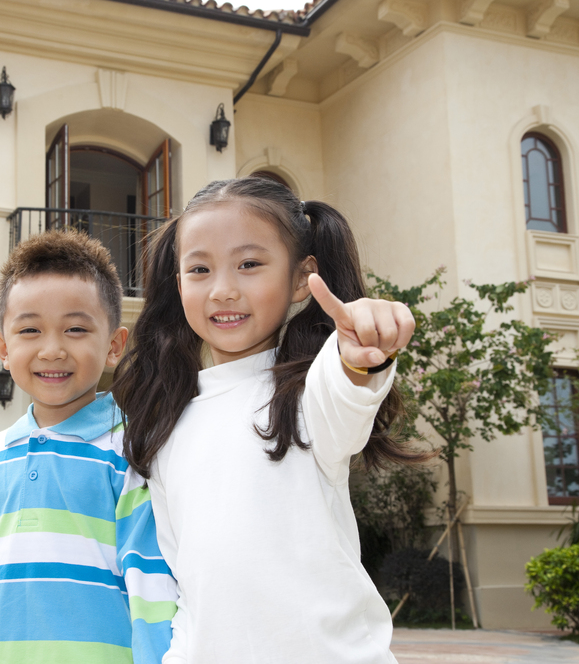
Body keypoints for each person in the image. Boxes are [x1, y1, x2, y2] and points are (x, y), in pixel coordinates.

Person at [113, 176, 428, 663]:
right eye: (199, 269)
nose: (222, 289)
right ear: (179, 285)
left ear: (302, 277)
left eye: (249, 264)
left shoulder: (307, 392)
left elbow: (347, 387)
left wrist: (363, 351)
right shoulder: (164, 424)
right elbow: (187, 584)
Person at [0, 230, 177, 664]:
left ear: (114, 346)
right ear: (3, 348)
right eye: (30, 330)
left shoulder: (133, 452)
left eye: (75, 329)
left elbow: (152, 590)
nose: (52, 350)